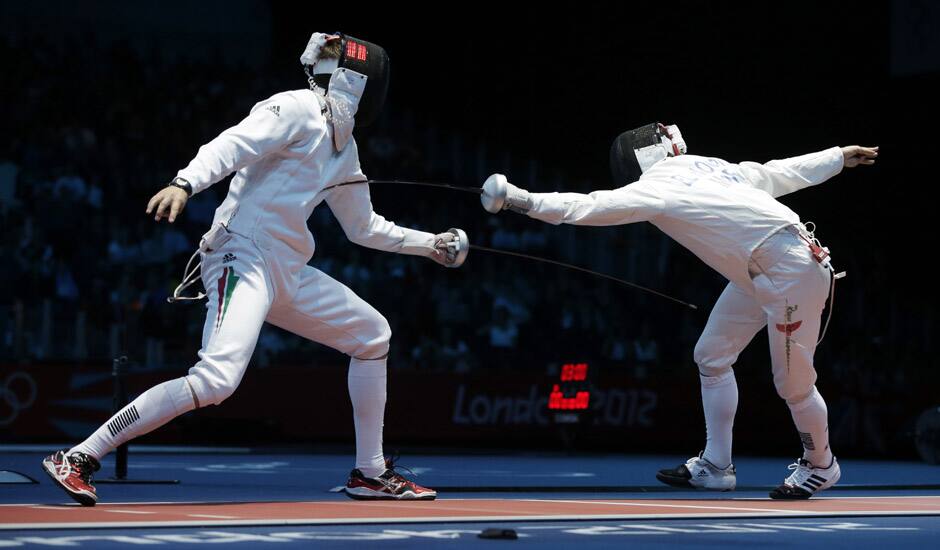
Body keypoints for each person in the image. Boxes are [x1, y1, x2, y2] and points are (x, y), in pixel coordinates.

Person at [43, 32, 465, 505]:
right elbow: (235, 143)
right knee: (216, 381)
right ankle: (79, 455)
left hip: (285, 269)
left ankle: (370, 472)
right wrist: (186, 182)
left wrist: (431, 244)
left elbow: (364, 227)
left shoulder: (345, 152)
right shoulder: (297, 106)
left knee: (372, 335)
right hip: (241, 254)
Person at [480, 122, 877, 499]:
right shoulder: (714, 168)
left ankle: (821, 463)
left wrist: (522, 200)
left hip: (790, 273)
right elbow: (779, 173)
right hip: (761, 274)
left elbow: (588, 206)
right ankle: (717, 466)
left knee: (793, 385)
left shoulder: (658, 187)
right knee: (711, 355)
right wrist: (837, 156)